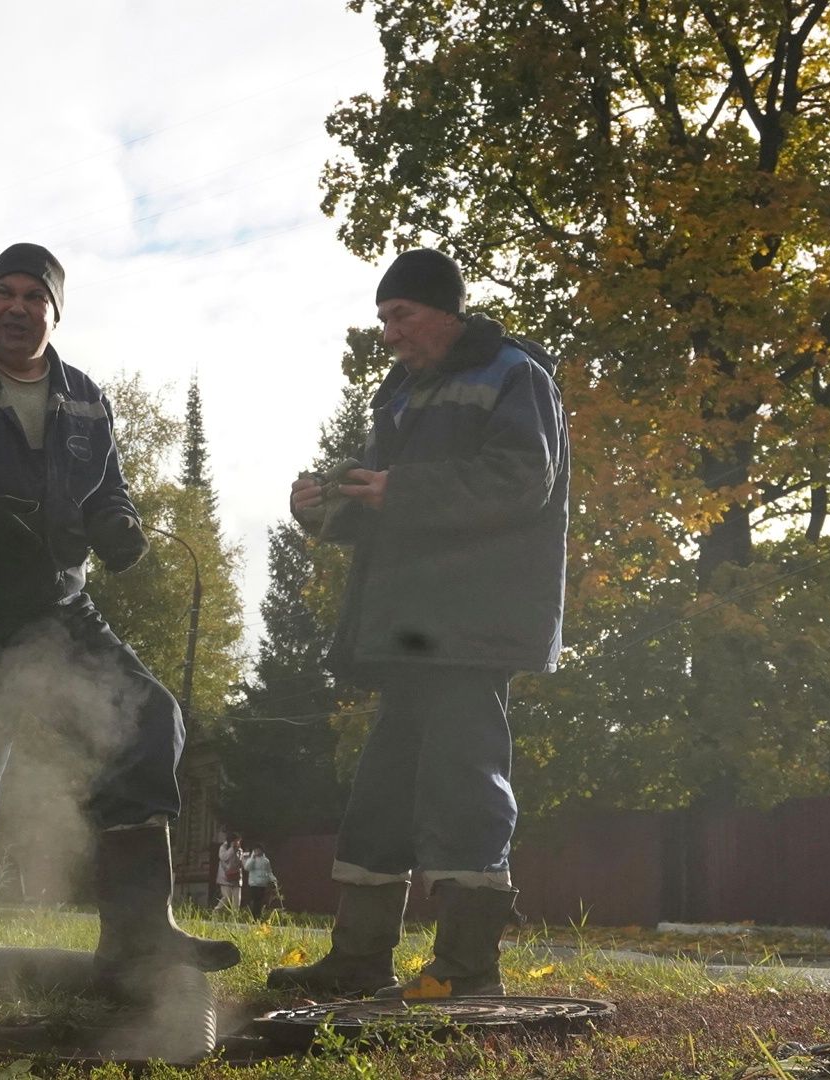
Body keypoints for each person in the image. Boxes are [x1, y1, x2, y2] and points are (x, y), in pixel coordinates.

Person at [0, 243, 239, 1016]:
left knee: (149, 717)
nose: (17, 307)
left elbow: (109, 489)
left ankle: (138, 941)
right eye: (3, 292)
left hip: (56, 605)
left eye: (34, 296)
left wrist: (121, 527)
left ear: (54, 311)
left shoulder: (84, 400)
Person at [268, 248, 569, 1000]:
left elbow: (521, 481)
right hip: (406, 630)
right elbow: (385, 509)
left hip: (474, 627)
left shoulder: (514, 374)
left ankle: (466, 970)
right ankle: (359, 960)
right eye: (382, 319)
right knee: (381, 793)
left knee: (466, 785)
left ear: (446, 310)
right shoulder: (400, 393)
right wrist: (327, 510)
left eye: (400, 315)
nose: (389, 333)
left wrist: (397, 488)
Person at [243, 844, 276, 918]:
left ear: (261, 850)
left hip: (262, 884)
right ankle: (253, 916)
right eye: (255, 850)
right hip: (253, 883)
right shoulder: (251, 859)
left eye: (258, 850)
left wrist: (273, 879)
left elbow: (269, 871)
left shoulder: (266, 861)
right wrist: (252, 858)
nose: (256, 851)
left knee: (260, 901)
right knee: (254, 900)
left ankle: (258, 916)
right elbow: (247, 867)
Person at [217, 833, 244, 911]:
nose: (238, 843)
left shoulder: (239, 850)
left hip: (236, 877)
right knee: (226, 897)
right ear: (232, 841)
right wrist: (232, 848)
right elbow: (224, 857)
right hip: (225, 877)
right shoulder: (223, 847)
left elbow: (240, 863)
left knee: (237, 899)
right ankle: (216, 912)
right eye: (237, 841)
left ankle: (235, 916)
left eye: (239, 841)